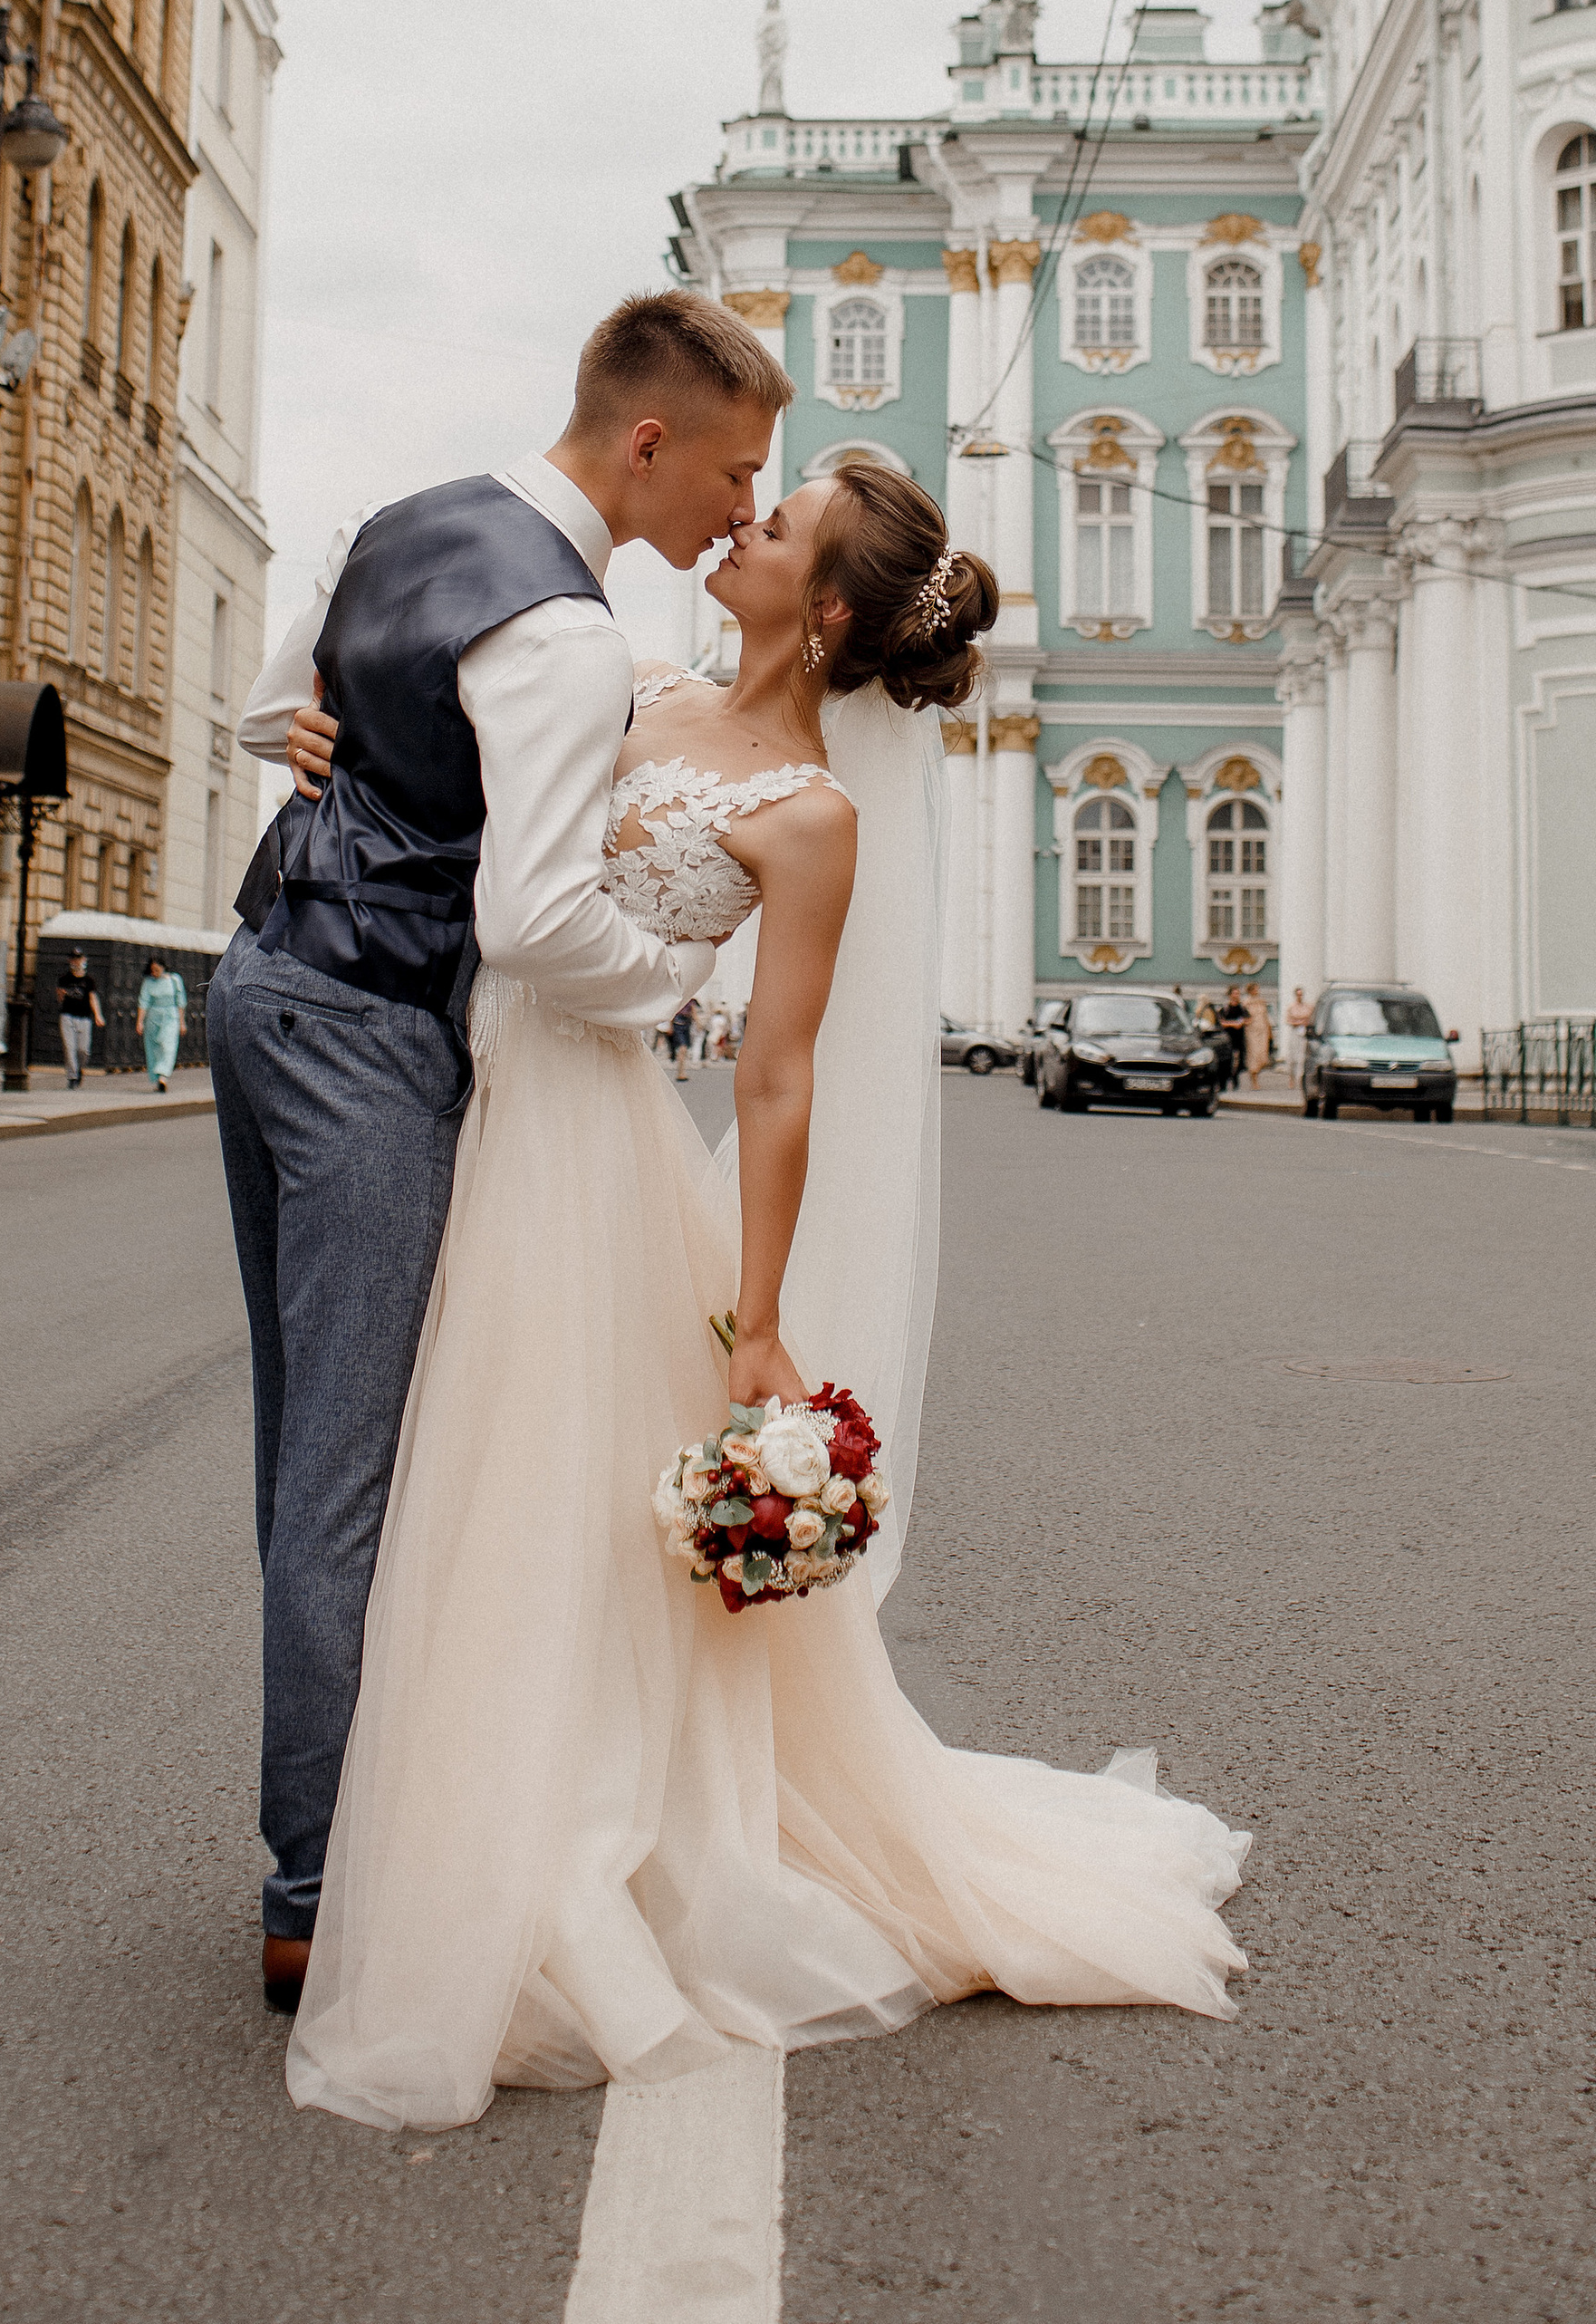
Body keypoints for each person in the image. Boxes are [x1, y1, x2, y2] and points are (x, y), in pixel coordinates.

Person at [275, 458, 1248, 2135]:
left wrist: (762, 1313)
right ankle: (424, 1826)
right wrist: (311, 730)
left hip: (582, 1158)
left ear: (839, 612)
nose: (742, 530)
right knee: (449, 1479)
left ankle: (524, 1850)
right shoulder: (629, 684)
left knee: (516, 1499)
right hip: (453, 1087)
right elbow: (441, 754)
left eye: (780, 528)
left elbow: (783, 1080)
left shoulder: (809, 817)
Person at [213, 290, 790, 2011]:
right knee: (353, 1469)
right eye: (735, 473)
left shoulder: (401, 523)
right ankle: (319, 1887)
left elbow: (269, 702)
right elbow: (535, 922)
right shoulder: (561, 634)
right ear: (646, 442)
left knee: (298, 1441)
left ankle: (327, 1832)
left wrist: (292, 738)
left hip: (261, 987)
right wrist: (674, 981)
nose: (742, 516)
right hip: (373, 1030)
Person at [137, 955, 186, 1091]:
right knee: (153, 1047)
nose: (154, 973)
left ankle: (163, 1076)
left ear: (163, 967)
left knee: (168, 1045)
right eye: (152, 970)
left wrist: (182, 1022)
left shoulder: (175, 980)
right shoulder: (148, 982)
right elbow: (144, 1001)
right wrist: (140, 1021)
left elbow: (180, 1002)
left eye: (157, 969)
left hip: (170, 1016)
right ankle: (158, 1077)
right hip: (153, 1015)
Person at [55, 951, 102, 1088]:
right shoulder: (64, 979)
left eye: (79, 959)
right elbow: (59, 997)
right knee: (69, 1047)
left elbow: (93, 998)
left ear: (84, 960)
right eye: (74, 959)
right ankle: (72, 1076)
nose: (76, 962)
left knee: (83, 1050)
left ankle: (79, 1068)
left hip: (84, 1017)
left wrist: (98, 1015)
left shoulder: (89, 981)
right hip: (67, 1016)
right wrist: (61, 994)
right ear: (70, 960)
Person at [1243, 982, 1272, 1087]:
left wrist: (1269, 1031)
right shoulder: (1246, 1003)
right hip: (1252, 1031)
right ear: (1250, 991)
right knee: (1254, 1054)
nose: (1257, 991)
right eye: (1255, 989)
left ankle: (1256, 1073)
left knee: (1263, 1056)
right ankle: (1254, 1079)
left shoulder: (1261, 1002)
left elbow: (1266, 1017)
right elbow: (1243, 1017)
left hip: (1262, 1030)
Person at [1285, 983, 1315, 1081]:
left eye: (1301, 994)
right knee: (1292, 1055)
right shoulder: (1291, 1007)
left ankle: (1300, 1077)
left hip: (1304, 1032)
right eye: (1298, 995)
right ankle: (1291, 1077)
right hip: (1295, 1032)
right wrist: (1299, 1021)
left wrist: (1303, 1021)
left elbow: (1310, 1018)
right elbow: (1289, 1020)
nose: (1300, 997)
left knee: (1302, 1055)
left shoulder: (1308, 1006)